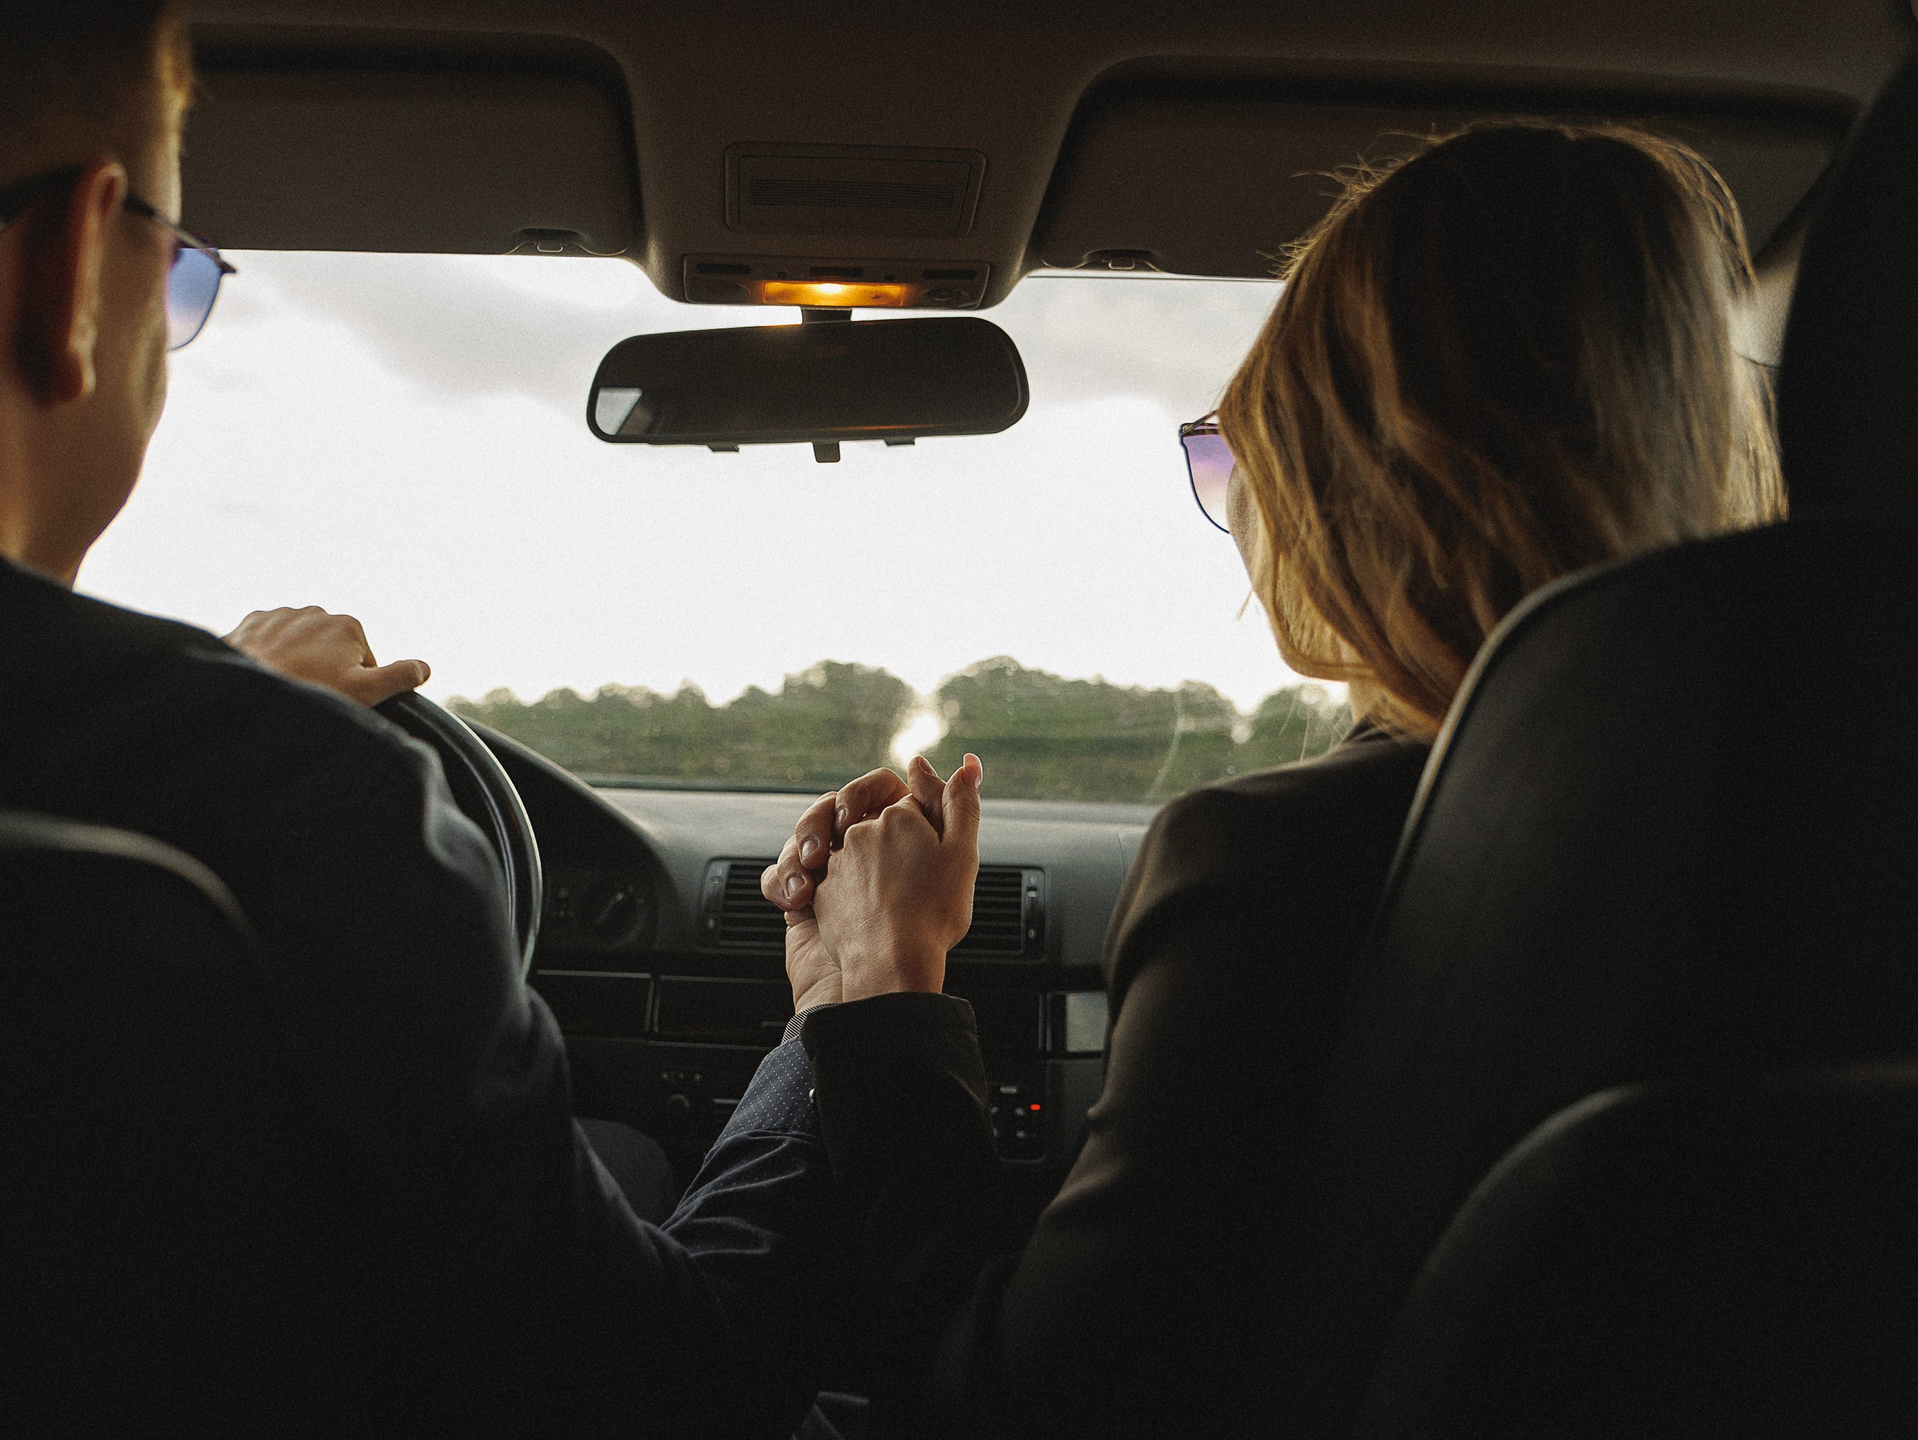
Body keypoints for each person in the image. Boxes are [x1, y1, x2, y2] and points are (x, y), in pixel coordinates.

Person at [0, 2, 985, 1435]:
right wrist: (856, 1003)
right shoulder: (283, 811)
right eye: (179, 261)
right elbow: (661, 1397)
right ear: (76, 263)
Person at [763, 122, 1783, 1437]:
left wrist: (892, 983)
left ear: (1355, 479)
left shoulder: (1276, 865)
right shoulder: (1873, 820)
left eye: (1242, 457)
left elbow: (1008, 1405)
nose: (1246, 514)